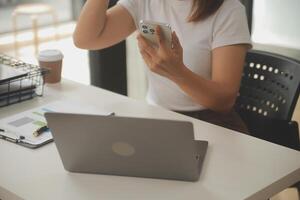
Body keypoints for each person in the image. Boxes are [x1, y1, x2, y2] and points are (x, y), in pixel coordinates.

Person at [73, 0, 252, 133]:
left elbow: (223, 101)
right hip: (158, 116)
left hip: (212, 123)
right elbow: (86, 39)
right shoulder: (144, 2)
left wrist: (177, 72)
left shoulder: (229, 11)